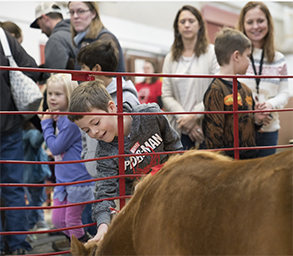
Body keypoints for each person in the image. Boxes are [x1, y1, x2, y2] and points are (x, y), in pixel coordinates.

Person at [68, 80, 183, 242]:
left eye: (96, 122)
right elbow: (104, 194)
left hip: (173, 190)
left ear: (112, 108)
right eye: (86, 130)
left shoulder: (151, 115)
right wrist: (103, 226)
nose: (94, 132)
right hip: (144, 208)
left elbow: (176, 149)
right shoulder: (105, 152)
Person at [40, 74, 95, 250]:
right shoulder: (61, 117)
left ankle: (85, 249)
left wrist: (46, 125)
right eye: (50, 94)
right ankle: (78, 246)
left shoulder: (71, 120)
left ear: (69, 95)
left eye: (58, 94)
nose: (52, 98)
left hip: (77, 180)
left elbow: (56, 147)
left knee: (72, 221)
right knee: (57, 220)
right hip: (63, 180)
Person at [202, 27, 270, 159]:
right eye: (248, 56)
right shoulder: (216, 90)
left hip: (249, 158)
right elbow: (213, 137)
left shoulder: (246, 90)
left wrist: (257, 120)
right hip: (228, 163)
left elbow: (248, 127)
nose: (250, 61)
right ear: (237, 56)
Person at [0, 28, 39, 255]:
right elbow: (31, 69)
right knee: (14, 188)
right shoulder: (3, 37)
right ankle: (18, 246)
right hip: (9, 126)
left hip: (10, 128)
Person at [76, 38, 139, 177]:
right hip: (97, 175)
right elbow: (84, 134)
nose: (81, 72)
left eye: (84, 67)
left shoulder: (126, 98)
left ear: (96, 69)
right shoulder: (86, 98)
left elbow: (137, 134)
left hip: (122, 176)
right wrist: (87, 157)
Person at [161, 5, 219, 150]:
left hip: (206, 127)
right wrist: (186, 119)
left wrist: (195, 116)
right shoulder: (170, 58)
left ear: (199, 25)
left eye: (191, 21)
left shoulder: (212, 53)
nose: (187, 25)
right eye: (182, 22)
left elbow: (217, 89)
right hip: (179, 129)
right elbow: (166, 95)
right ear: (177, 28)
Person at [236, 1, 290, 157]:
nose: (255, 26)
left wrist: (269, 105)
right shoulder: (236, 56)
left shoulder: (278, 58)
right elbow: (226, 89)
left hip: (269, 130)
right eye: (250, 22)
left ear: (268, 23)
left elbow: (284, 93)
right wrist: (251, 113)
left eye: (260, 21)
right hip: (240, 129)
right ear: (243, 25)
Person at [68, 1, 125, 72]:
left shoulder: (105, 39)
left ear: (93, 13)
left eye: (81, 11)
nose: (75, 16)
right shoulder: (80, 40)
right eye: (71, 12)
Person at [22, 121, 51, 236]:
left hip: (25, 174)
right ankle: (35, 223)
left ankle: (34, 223)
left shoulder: (19, 135)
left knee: (34, 199)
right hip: (35, 173)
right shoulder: (32, 132)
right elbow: (36, 142)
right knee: (37, 200)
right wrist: (45, 129)